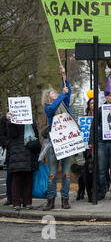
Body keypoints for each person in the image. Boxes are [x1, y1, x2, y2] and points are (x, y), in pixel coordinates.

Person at [41, 66, 75, 210]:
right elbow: (54, 107)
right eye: (52, 93)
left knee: (66, 173)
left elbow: (68, 91)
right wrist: (62, 93)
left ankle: (65, 199)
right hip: (54, 144)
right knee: (53, 173)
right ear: (48, 97)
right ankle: (51, 199)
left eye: (55, 92)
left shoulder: (64, 104)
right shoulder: (48, 108)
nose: (55, 93)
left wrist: (64, 76)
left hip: (67, 142)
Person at [89, 79, 111, 201]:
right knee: (101, 169)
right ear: (106, 97)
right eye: (110, 95)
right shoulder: (100, 109)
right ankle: (102, 191)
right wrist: (91, 141)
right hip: (102, 142)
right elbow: (93, 126)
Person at [3, 112, 41, 210]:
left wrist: (35, 145)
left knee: (28, 179)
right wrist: (10, 122)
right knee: (16, 179)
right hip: (17, 153)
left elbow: (36, 136)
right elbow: (11, 135)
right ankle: (16, 203)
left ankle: (27, 202)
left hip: (29, 153)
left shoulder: (32, 121)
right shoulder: (12, 121)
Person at [77, 98, 94, 202]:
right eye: (91, 103)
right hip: (86, 146)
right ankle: (82, 191)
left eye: (94, 103)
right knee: (86, 167)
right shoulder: (84, 118)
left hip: (96, 145)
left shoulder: (100, 115)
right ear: (88, 105)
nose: (93, 104)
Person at [0, 114, 12, 206]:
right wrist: (7, 144)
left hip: (23, 150)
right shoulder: (4, 119)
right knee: (10, 175)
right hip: (11, 151)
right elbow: (1, 135)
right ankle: (10, 197)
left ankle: (21, 198)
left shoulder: (25, 116)